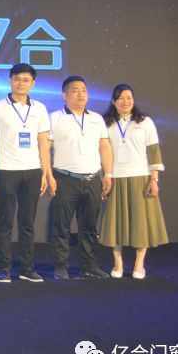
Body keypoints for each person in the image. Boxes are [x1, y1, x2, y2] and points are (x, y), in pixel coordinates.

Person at [0, 63, 52, 283]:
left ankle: (27, 268)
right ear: (10, 80)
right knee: (5, 221)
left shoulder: (40, 108)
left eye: (26, 80)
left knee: (27, 223)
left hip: (33, 170)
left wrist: (45, 172)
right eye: (17, 79)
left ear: (32, 83)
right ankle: (3, 268)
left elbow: (43, 143)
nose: (21, 83)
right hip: (6, 169)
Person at [100, 84, 168, 279]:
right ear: (113, 101)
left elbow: (153, 151)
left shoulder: (144, 121)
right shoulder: (105, 123)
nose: (125, 101)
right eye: (121, 98)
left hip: (141, 178)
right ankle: (118, 264)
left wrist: (154, 179)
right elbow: (102, 152)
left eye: (129, 97)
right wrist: (104, 177)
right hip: (115, 179)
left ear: (134, 100)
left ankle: (139, 265)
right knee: (115, 224)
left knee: (141, 223)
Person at [48, 76, 113, 280]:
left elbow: (104, 146)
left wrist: (108, 174)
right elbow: (45, 148)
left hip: (93, 179)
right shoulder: (54, 118)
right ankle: (61, 266)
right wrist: (48, 175)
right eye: (75, 90)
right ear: (64, 95)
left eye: (84, 90)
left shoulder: (96, 118)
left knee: (89, 227)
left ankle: (89, 265)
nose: (81, 94)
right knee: (61, 226)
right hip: (65, 178)